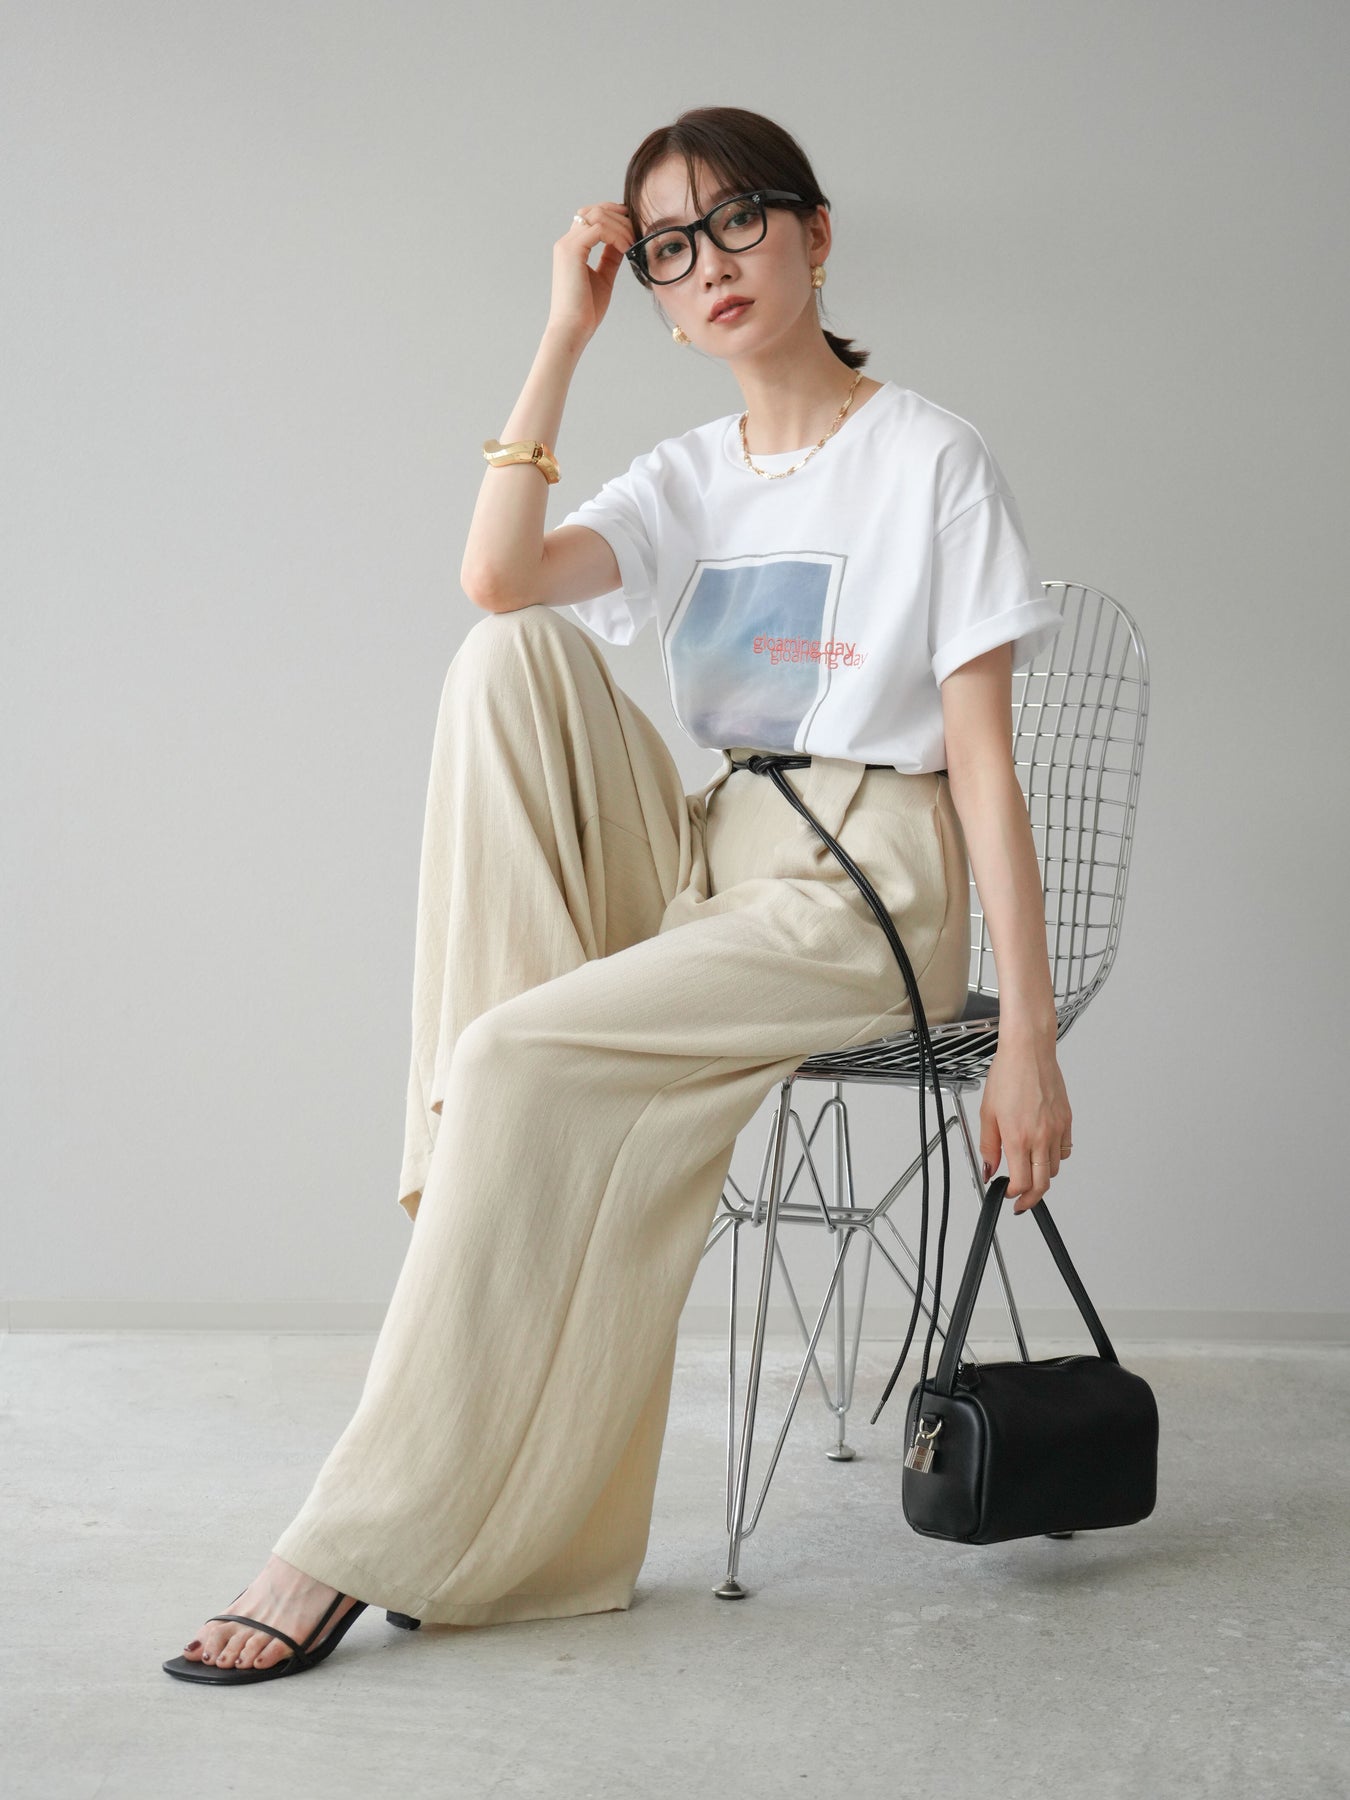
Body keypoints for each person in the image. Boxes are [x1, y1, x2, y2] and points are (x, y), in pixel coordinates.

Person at [163, 104, 1073, 1686]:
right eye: (668, 245)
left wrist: (1030, 1040)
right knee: (503, 658)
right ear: (648, 289)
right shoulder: (686, 475)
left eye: (737, 220)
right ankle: (488, 1153)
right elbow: (497, 578)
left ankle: (340, 1541)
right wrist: (560, 335)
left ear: (814, 235)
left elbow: (984, 768)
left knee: (509, 1056)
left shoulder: (928, 457)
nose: (707, 261)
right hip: (716, 857)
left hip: (866, 888)